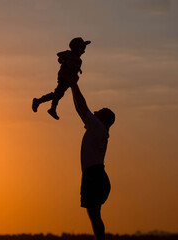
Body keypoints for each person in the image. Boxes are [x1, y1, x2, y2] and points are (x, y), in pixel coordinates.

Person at [69, 79, 115, 240]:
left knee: (94, 217)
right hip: (97, 176)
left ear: (103, 119)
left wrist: (73, 85)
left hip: (94, 177)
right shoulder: (99, 130)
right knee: (95, 216)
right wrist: (72, 86)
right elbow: (80, 110)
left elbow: (82, 108)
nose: (95, 112)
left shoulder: (98, 127)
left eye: (99, 112)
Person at [32, 37, 91, 120]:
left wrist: (77, 71)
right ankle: (48, 106)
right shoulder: (69, 54)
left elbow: (75, 68)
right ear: (75, 48)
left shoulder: (78, 60)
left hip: (70, 79)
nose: (83, 51)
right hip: (65, 77)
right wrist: (64, 60)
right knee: (58, 93)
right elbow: (60, 56)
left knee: (58, 94)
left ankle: (44, 104)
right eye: (82, 49)